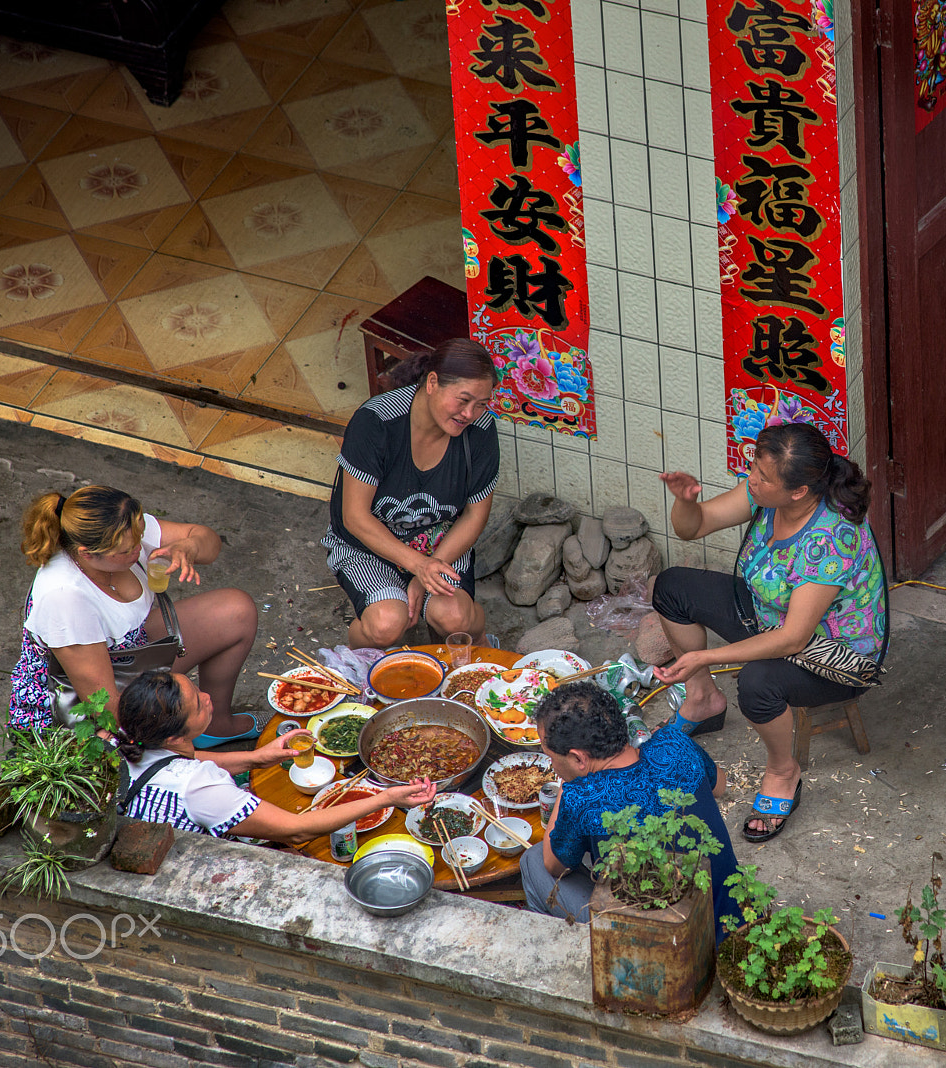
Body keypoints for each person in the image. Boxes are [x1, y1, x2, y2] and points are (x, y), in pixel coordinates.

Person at [652, 423, 887, 843]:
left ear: (797, 492)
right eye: (753, 468)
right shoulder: (765, 493)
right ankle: (703, 699)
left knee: (757, 682)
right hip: (768, 614)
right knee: (671, 588)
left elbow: (794, 639)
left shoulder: (832, 538)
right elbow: (694, 526)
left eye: (761, 476)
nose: (751, 481)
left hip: (834, 655)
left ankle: (783, 772)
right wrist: (687, 502)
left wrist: (704, 657)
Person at [8, 485, 260, 746]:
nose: (139, 550)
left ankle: (215, 723)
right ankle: (189, 734)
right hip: (83, 705)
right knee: (152, 742)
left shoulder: (124, 528)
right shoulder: (64, 598)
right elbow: (106, 711)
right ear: (87, 554)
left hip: (130, 653)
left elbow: (207, 540)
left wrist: (189, 547)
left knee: (235, 611)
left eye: (139, 539)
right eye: (127, 551)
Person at [113, 668, 436, 843]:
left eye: (198, 689)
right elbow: (297, 829)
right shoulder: (200, 787)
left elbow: (181, 764)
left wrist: (257, 758)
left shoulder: (124, 737)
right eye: (198, 703)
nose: (209, 697)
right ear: (173, 735)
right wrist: (386, 798)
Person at [519, 682, 739, 936]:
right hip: (729, 915)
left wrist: (568, 787)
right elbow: (719, 785)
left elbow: (553, 866)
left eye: (552, 758)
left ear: (579, 758)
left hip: (664, 945)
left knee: (533, 860)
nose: (553, 767)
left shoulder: (582, 796)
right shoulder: (675, 744)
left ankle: (574, 949)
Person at [323, 339, 500, 650]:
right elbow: (354, 516)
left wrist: (429, 568)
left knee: (455, 616)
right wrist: (418, 566)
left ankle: (481, 639)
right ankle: (354, 656)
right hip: (369, 544)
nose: (470, 413)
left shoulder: (481, 430)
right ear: (432, 382)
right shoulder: (377, 422)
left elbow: (475, 515)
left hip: (439, 541)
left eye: (482, 403)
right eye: (463, 400)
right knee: (387, 623)